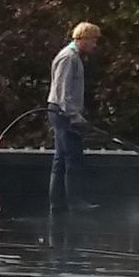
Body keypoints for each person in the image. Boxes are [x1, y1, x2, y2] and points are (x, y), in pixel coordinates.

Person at [48, 22, 101, 211]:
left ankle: (58, 202)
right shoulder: (69, 58)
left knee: (61, 158)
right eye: (93, 40)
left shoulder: (73, 57)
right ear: (83, 38)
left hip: (62, 112)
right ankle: (75, 202)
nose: (95, 44)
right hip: (63, 114)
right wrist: (75, 116)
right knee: (72, 157)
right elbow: (63, 92)